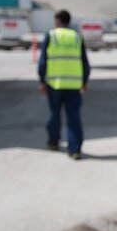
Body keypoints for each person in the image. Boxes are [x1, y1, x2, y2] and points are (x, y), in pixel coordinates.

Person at [38, 10, 89, 160]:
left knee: (54, 115)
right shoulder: (77, 37)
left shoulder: (51, 35)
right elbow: (85, 62)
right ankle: (75, 150)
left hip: (54, 83)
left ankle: (53, 142)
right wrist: (84, 81)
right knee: (74, 118)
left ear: (58, 20)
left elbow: (43, 62)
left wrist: (42, 81)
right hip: (74, 85)